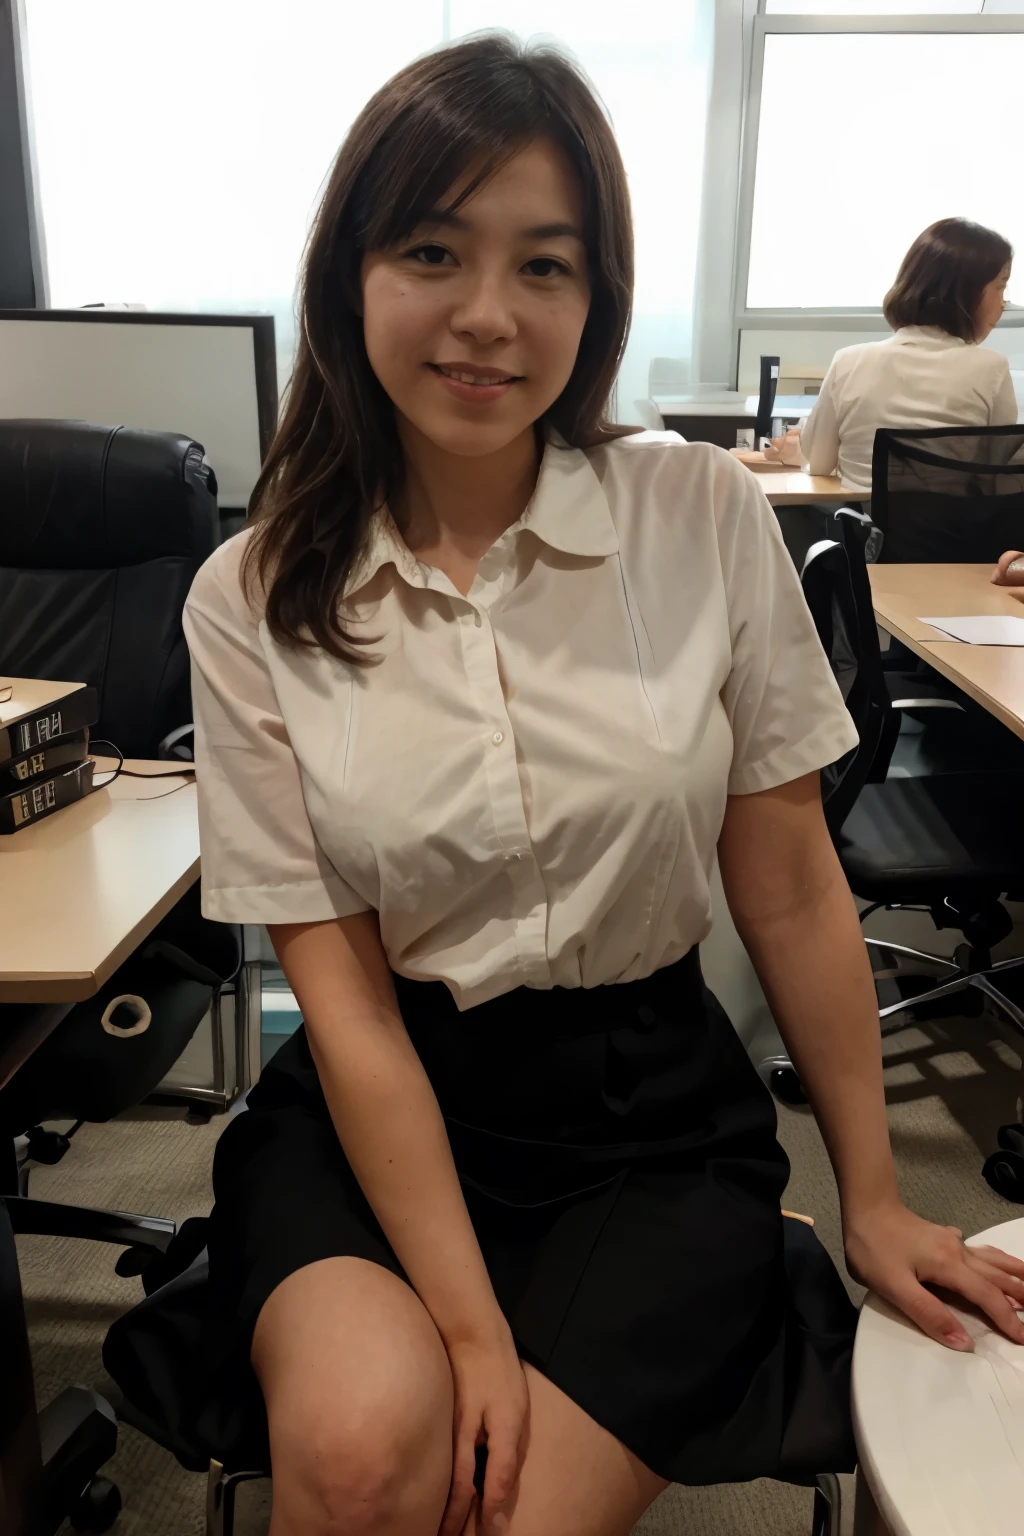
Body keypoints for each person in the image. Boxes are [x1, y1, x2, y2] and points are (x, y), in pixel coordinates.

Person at [183, 38, 1024, 1536]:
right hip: (385, 1091)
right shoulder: (250, 592)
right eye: (433, 249)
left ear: (600, 295)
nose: (490, 316)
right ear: (350, 275)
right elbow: (348, 998)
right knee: (368, 1458)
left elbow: (785, 877)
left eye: (548, 267)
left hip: (643, 1116)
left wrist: (875, 1192)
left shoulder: (697, 513)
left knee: (499, 1515)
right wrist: (460, 1329)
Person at [766, 218, 1017, 491]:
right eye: (1001, 287)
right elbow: (997, 478)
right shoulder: (991, 368)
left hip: (864, 530)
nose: (1003, 303)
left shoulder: (849, 361)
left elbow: (820, 463)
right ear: (966, 290)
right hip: (956, 531)